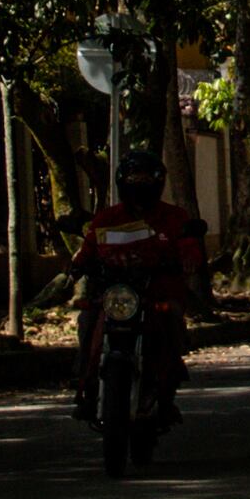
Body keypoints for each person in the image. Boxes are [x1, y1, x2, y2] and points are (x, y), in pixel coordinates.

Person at [67, 152, 209, 426]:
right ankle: (85, 384)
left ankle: (166, 389)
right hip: (116, 295)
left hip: (158, 292)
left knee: (170, 317)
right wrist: (76, 266)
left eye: (145, 178)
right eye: (134, 179)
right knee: (87, 320)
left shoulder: (174, 217)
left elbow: (189, 246)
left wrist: (189, 258)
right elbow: (88, 250)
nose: (140, 184)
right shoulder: (107, 218)